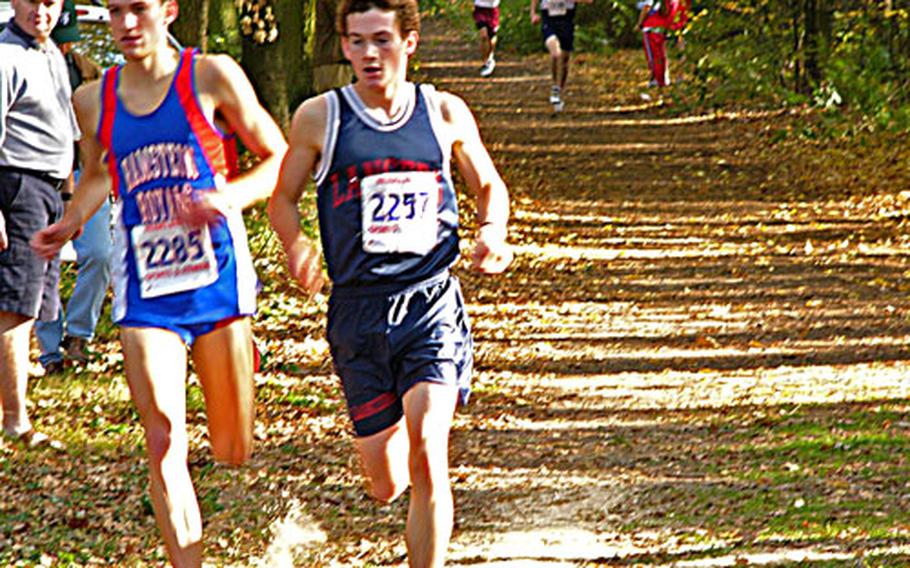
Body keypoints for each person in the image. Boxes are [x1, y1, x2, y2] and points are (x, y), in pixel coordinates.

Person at [31, 0, 287, 565]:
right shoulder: (92, 99)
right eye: (115, 10)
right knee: (165, 439)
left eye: (138, 9)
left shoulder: (211, 75)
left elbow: (278, 157)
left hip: (216, 279)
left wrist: (227, 197)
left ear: (169, 10)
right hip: (146, 288)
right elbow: (99, 172)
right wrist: (71, 221)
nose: (125, 24)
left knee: (231, 447)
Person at [268, 0, 513, 565]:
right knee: (386, 484)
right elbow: (282, 199)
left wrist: (492, 230)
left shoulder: (443, 112)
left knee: (430, 453)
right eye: (356, 42)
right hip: (357, 312)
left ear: (410, 42)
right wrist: (295, 244)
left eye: (381, 39)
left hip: (430, 301)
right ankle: (391, 439)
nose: (368, 54)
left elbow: (488, 186)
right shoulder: (319, 117)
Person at [0, 0, 78, 447]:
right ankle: (15, 420)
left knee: (33, 306)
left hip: (50, 190)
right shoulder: (6, 56)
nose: (40, 11)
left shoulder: (51, 54)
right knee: (14, 305)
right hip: (16, 186)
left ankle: (11, 409)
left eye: (49, 2)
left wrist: (70, 203)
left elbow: (67, 133)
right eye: (32, 1)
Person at [35, 0, 112, 376]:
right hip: (38, 177)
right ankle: (50, 351)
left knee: (100, 253)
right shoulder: (17, 63)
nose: (62, 47)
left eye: (67, 40)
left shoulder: (90, 72)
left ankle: (79, 335)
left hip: (85, 176)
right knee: (41, 266)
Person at [529, 0, 593, 112]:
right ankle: (555, 87)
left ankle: (559, 89)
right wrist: (533, 13)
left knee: (564, 60)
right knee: (556, 53)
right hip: (548, 20)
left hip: (566, 20)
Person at [473, 0, 500, 77]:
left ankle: (490, 58)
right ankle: (485, 61)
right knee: (484, 36)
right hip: (480, 8)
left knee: (492, 37)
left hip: (492, 9)